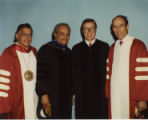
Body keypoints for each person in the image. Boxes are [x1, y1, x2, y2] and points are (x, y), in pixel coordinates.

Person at [105, 15, 148, 119]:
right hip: (115, 94)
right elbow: (109, 74)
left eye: (121, 26)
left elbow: (143, 74)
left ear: (127, 26)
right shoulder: (112, 47)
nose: (118, 30)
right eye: (114, 27)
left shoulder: (138, 45)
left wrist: (142, 98)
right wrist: (108, 93)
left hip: (131, 96)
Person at [72, 18, 109, 119]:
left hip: (101, 96)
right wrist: (72, 93)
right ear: (82, 30)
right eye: (86, 28)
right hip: (82, 96)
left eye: (91, 28)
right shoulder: (76, 49)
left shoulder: (105, 47)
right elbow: (73, 73)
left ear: (96, 29)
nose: (89, 31)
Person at [0, 23, 37, 119]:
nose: (27, 37)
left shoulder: (34, 52)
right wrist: (4, 104)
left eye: (30, 34)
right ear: (17, 36)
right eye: (24, 34)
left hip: (34, 99)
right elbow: (3, 82)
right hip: (17, 101)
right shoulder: (8, 53)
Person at [36, 23, 72, 119]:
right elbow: (41, 75)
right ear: (55, 34)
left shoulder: (69, 52)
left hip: (66, 99)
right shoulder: (46, 49)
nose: (65, 36)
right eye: (62, 33)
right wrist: (43, 94)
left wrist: (71, 94)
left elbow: (71, 77)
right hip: (51, 97)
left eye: (67, 34)